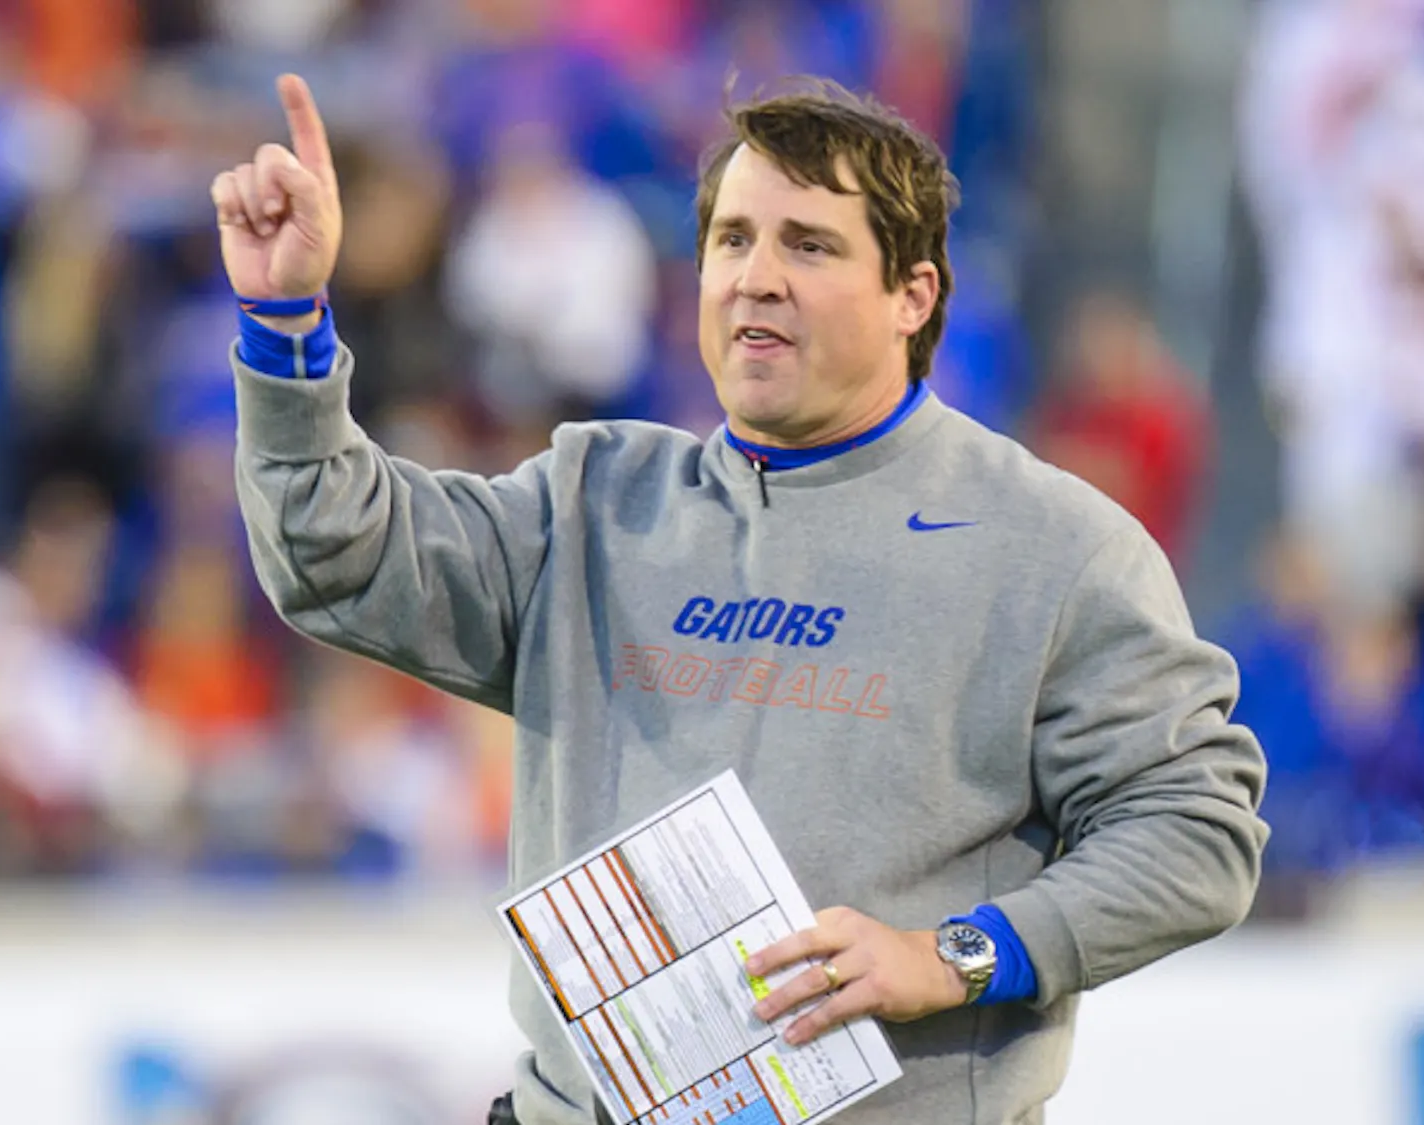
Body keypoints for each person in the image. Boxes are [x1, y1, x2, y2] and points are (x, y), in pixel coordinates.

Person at [212, 74, 1268, 1125]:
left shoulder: (1055, 548)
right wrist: (284, 318)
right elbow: (332, 551)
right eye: (732, 239)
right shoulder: (589, 501)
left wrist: (955, 956)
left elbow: (1198, 833)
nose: (756, 277)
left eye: (808, 244)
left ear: (916, 294)